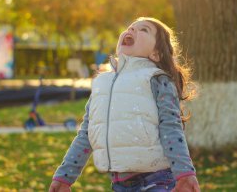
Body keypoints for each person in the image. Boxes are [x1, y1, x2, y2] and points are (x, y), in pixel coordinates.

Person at [48, 17, 200, 192]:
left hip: (157, 180)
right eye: (130, 28)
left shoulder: (158, 80)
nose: (132, 30)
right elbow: (86, 134)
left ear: (156, 53)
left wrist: (185, 173)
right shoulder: (102, 83)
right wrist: (64, 177)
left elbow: (171, 127)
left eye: (144, 30)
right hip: (120, 185)